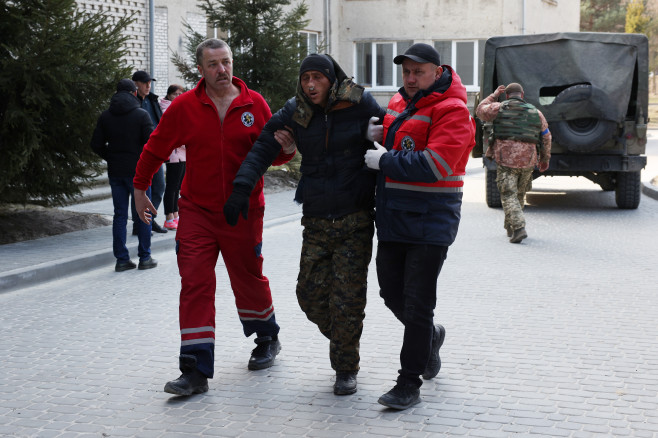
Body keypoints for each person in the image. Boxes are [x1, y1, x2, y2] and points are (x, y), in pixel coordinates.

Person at [132, 38, 295, 396]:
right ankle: (194, 370)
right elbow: (156, 145)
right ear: (201, 70)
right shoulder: (185, 107)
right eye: (213, 65)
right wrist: (139, 187)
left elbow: (275, 154)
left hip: (243, 211)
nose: (222, 70)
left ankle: (267, 337)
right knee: (194, 284)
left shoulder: (255, 104)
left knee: (247, 277)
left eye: (227, 62)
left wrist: (287, 149)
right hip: (197, 212)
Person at [225, 53, 385, 396]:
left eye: (318, 78)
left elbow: (395, 133)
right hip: (315, 217)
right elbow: (263, 147)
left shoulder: (358, 101)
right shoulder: (298, 109)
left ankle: (345, 366)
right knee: (308, 295)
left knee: (347, 299)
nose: (310, 85)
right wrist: (241, 187)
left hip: (354, 215)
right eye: (305, 78)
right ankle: (346, 340)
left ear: (331, 79)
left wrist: (378, 137)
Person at [364, 43, 475, 409]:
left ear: (437, 70)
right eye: (406, 72)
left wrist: (385, 160)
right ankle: (430, 338)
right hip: (394, 219)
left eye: (418, 72)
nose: (411, 79)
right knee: (390, 293)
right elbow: (405, 141)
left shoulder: (454, 110)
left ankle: (408, 383)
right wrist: (380, 136)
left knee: (417, 305)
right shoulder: (399, 103)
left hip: (431, 220)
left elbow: (435, 164)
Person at [90, 79, 158, 272]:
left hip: (116, 171)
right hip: (139, 172)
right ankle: (145, 257)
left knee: (120, 215)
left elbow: (95, 144)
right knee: (143, 213)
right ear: (134, 93)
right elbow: (151, 143)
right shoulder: (141, 115)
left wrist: (111, 157)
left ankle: (121, 260)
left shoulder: (106, 116)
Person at [476, 83, 552, 243]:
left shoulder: (498, 108)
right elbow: (546, 136)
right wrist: (545, 159)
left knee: (508, 194)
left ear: (507, 96)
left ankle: (518, 228)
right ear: (522, 95)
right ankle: (510, 227)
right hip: (528, 160)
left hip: (506, 159)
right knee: (519, 194)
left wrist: (494, 94)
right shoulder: (536, 112)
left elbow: (480, 110)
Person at [132, 70, 167, 234]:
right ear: (136, 84)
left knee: (160, 186)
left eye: (149, 82)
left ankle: (149, 220)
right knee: (140, 190)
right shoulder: (131, 102)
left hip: (155, 152)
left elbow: (160, 123)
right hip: (139, 153)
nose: (148, 85)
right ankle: (139, 225)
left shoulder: (153, 100)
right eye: (144, 82)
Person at [159, 84, 186, 230]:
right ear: (169, 95)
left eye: (181, 93)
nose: (178, 96)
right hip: (174, 153)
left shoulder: (180, 107)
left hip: (183, 152)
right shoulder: (166, 109)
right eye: (175, 94)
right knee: (171, 186)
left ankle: (175, 214)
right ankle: (169, 217)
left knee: (177, 187)